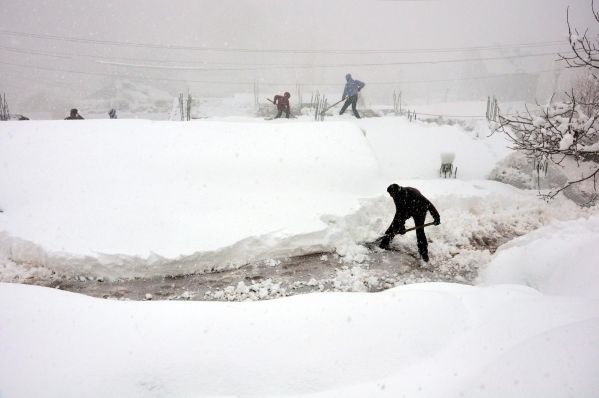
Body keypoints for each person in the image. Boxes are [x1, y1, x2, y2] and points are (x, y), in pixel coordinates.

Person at [379, 184, 441, 262]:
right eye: (390, 194)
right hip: (407, 209)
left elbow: (428, 203)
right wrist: (401, 227)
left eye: (391, 194)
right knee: (395, 223)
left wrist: (436, 217)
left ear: (395, 191)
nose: (391, 196)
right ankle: (385, 240)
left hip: (420, 209)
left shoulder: (412, 192)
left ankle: (424, 254)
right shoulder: (396, 196)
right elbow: (399, 213)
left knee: (420, 231)